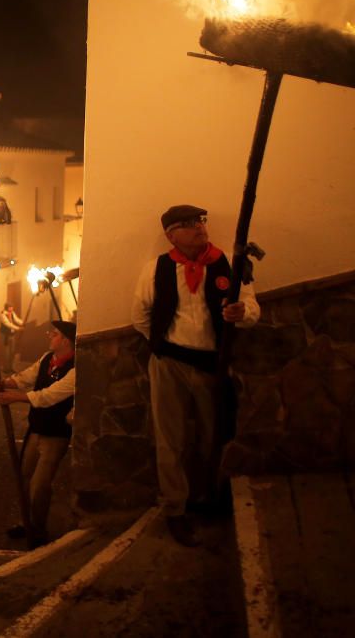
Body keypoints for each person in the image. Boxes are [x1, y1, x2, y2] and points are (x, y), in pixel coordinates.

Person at [131, 205, 260, 547]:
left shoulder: (228, 263)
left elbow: (253, 308)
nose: (198, 229)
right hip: (169, 363)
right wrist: (161, 345)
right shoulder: (155, 269)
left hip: (211, 365)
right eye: (186, 225)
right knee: (169, 440)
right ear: (171, 235)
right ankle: (176, 509)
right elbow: (139, 316)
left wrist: (241, 312)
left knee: (212, 436)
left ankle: (209, 498)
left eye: (200, 222)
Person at [0, 320, 76, 548]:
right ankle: (26, 522)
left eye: (55, 333)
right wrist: (7, 382)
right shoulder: (46, 359)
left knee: (40, 485)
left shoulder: (75, 369)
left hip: (56, 435)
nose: (50, 335)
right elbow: (26, 377)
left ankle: (38, 530)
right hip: (36, 429)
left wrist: (16, 397)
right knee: (24, 476)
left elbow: (48, 396)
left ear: (66, 341)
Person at [0, 302, 24, 374]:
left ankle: (11, 367)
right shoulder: (2, 315)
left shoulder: (12, 313)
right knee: (6, 352)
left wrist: (23, 322)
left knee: (12, 351)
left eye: (12, 307)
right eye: (10, 307)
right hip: (5, 336)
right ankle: (6, 368)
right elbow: (8, 324)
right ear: (7, 308)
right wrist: (18, 328)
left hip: (12, 335)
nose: (12, 308)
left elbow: (16, 320)